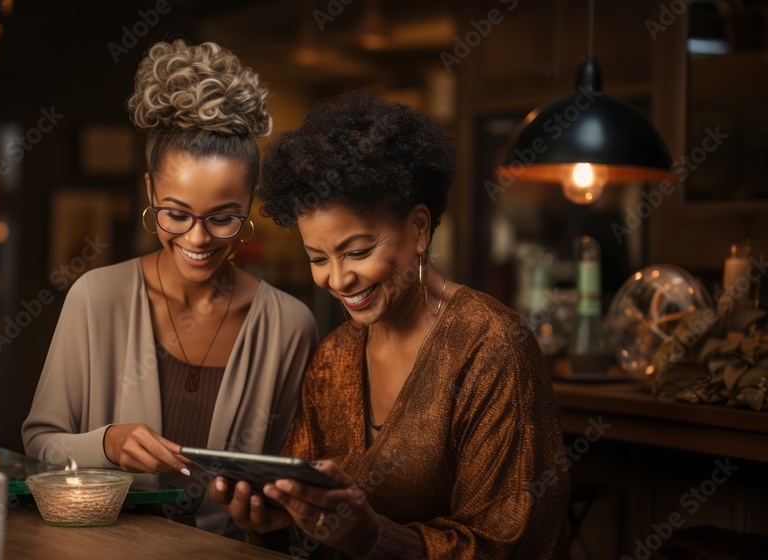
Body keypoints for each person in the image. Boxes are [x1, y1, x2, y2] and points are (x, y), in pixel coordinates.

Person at [210, 93, 569, 558]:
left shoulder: (493, 347)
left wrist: (375, 538)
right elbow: (305, 519)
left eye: (358, 251)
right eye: (318, 258)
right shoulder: (335, 357)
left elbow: (511, 544)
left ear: (419, 228)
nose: (338, 279)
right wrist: (274, 520)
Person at [22, 40, 318, 536]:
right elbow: (40, 444)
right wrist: (107, 444)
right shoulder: (96, 298)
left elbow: (289, 489)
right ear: (149, 191)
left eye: (224, 219)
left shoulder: (289, 326)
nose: (198, 239)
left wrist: (266, 513)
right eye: (176, 214)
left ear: (249, 206)